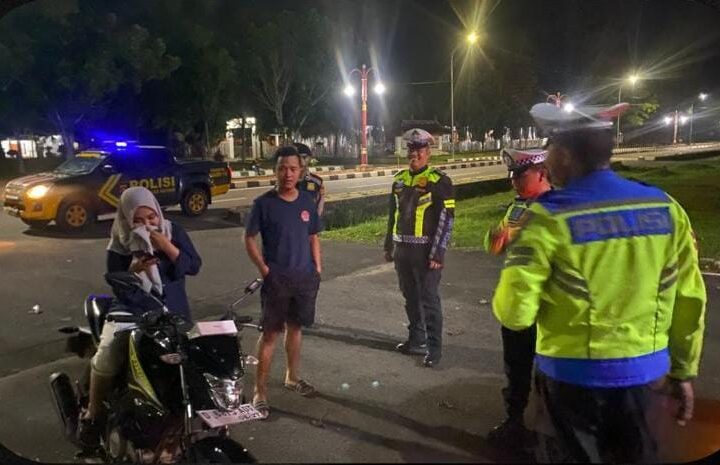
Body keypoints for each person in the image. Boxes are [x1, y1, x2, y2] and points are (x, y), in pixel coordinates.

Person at [492, 102, 707, 463]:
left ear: (564, 155)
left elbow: (515, 314)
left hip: (572, 381)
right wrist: (684, 371)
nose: (546, 160)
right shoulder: (666, 208)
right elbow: (690, 299)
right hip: (647, 378)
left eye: (549, 148)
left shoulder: (548, 218)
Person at [77, 186, 202, 449]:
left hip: (172, 311)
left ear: (158, 212)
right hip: (131, 309)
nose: (147, 225)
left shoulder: (173, 231)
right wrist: (133, 270)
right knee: (108, 355)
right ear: (126, 218)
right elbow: (116, 281)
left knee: (193, 360)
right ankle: (93, 413)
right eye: (138, 220)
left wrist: (166, 245)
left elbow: (193, 266)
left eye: (151, 217)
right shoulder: (120, 241)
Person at [245, 145, 322, 419]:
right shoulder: (263, 204)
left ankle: (292, 377)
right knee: (270, 334)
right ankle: (260, 391)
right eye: (282, 169)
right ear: (275, 171)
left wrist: (317, 268)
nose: (287, 174)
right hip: (277, 280)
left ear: (301, 171)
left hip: (303, 279)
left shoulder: (306, 202)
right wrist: (264, 269)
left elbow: (313, 236)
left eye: (292, 169)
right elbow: (249, 238)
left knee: (296, 328)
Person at [484, 148, 551, 448]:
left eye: (520, 175)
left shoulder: (558, 207)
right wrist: (496, 238)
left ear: (542, 173)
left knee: (549, 373)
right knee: (517, 368)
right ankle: (515, 421)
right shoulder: (516, 207)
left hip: (550, 307)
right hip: (518, 306)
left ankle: (551, 429)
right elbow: (495, 244)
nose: (514, 181)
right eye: (512, 176)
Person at [384, 128, 455, 368]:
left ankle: (434, 349)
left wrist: (438, 253)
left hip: (426, 253)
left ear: (428, 152)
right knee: (410, 297)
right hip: (402, 251)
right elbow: (392, 215)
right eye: (411, 149)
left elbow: (446, 220)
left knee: (429, 300)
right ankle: (416, 339)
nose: (414, 154)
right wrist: (388, 245)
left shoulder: (439, 181)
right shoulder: (399, 180)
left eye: (419, 149)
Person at [294, 142, 326, 217]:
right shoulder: (285, 181)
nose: (301, 161)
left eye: (304, 157)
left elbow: (320, 206)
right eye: (297, 158)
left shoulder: (317, 182)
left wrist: (315, 222)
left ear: (310, 158)